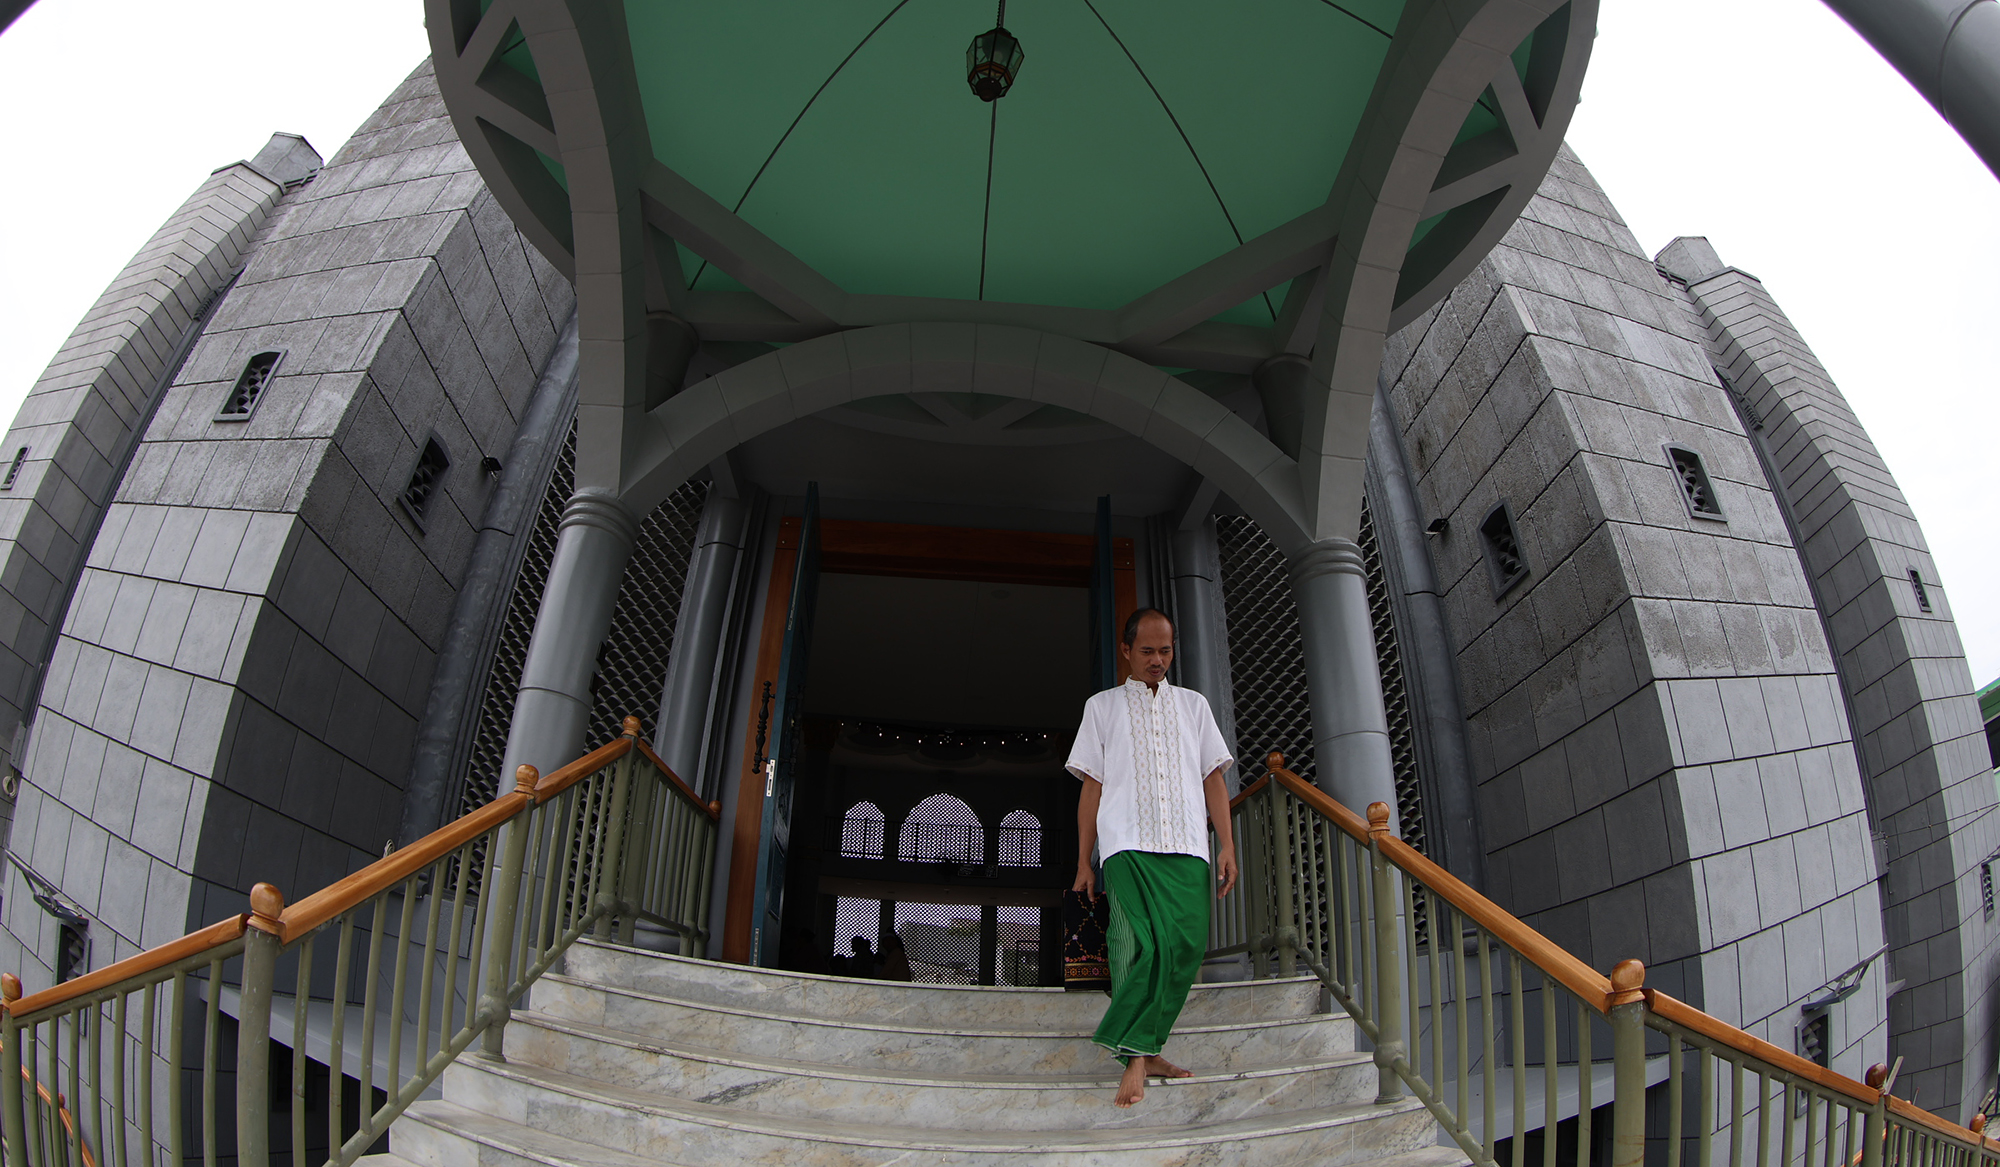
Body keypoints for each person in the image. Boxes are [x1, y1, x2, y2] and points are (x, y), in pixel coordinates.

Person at [1067, 608, 1237, 1108]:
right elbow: (1091, 789)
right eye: (1147, 651)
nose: (1157, 660)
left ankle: (1146, 1045)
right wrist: (1084, 861)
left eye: (1165, 650)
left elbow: (1213, 777)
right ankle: (1137, 1058)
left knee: (1184, 948)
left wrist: (1226, 844)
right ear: (1126, 651)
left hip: (1187, 844)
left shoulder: (1194, 706)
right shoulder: (1101, 707)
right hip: (1126, 842)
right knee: (1140, 944)